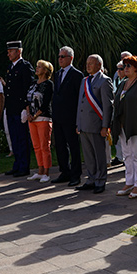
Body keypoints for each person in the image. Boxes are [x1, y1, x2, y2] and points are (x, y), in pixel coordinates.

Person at [111, 56, 137, 199]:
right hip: (122, 125)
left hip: (136, 124)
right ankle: (129, 182)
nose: (125, 68)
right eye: (124, 65)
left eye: (128, 66)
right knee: (127, 155)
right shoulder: (123, 83)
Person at [76, 54, 115, 194]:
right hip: (84, 124)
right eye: (87, 63)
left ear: (99, 65)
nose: (87, 66)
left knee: (99, 155)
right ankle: (91, 179)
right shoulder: (84, 81)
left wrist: (105, 126)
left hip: (97, 125)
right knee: (88, 155)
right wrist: (78, 123)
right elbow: (80, 104)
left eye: (91, 63)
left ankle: (100, 180)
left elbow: (108, 106)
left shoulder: (105, 81)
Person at [51, 46, 84, 185]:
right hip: (58, 116)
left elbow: (79, 97)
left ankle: (76, 174)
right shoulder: (57, 74)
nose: (60, 59)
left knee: (73, 146)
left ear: (70, 58)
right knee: (60, 146)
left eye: (62, 57)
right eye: (59, 56)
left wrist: (78, 119)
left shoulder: (77, 75)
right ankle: (65, 171)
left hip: (70, 117)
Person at [3, 41, 35, 177]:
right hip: (11, 108)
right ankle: (17, 164)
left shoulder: (25, 67)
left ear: (18, 51)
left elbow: (28, 87)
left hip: (21, 108)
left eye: (11, 51)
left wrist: (26, 107)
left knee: (22, 138)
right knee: (14, 138)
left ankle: (24, 166)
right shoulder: (11, 67)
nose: (8, 54)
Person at [26, 60, 54, 182]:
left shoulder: (49, 84)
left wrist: (35, 115)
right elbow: (27, 99)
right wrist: (28, 114)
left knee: (44, 145)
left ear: (46, 71)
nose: (37, 68)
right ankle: (40, 170)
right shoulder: (33, 83)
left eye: (40, 67)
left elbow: (46, 102)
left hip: (43, 118)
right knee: (36, 146)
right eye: (37, 66)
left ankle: (46, 172)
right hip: (32, 119)